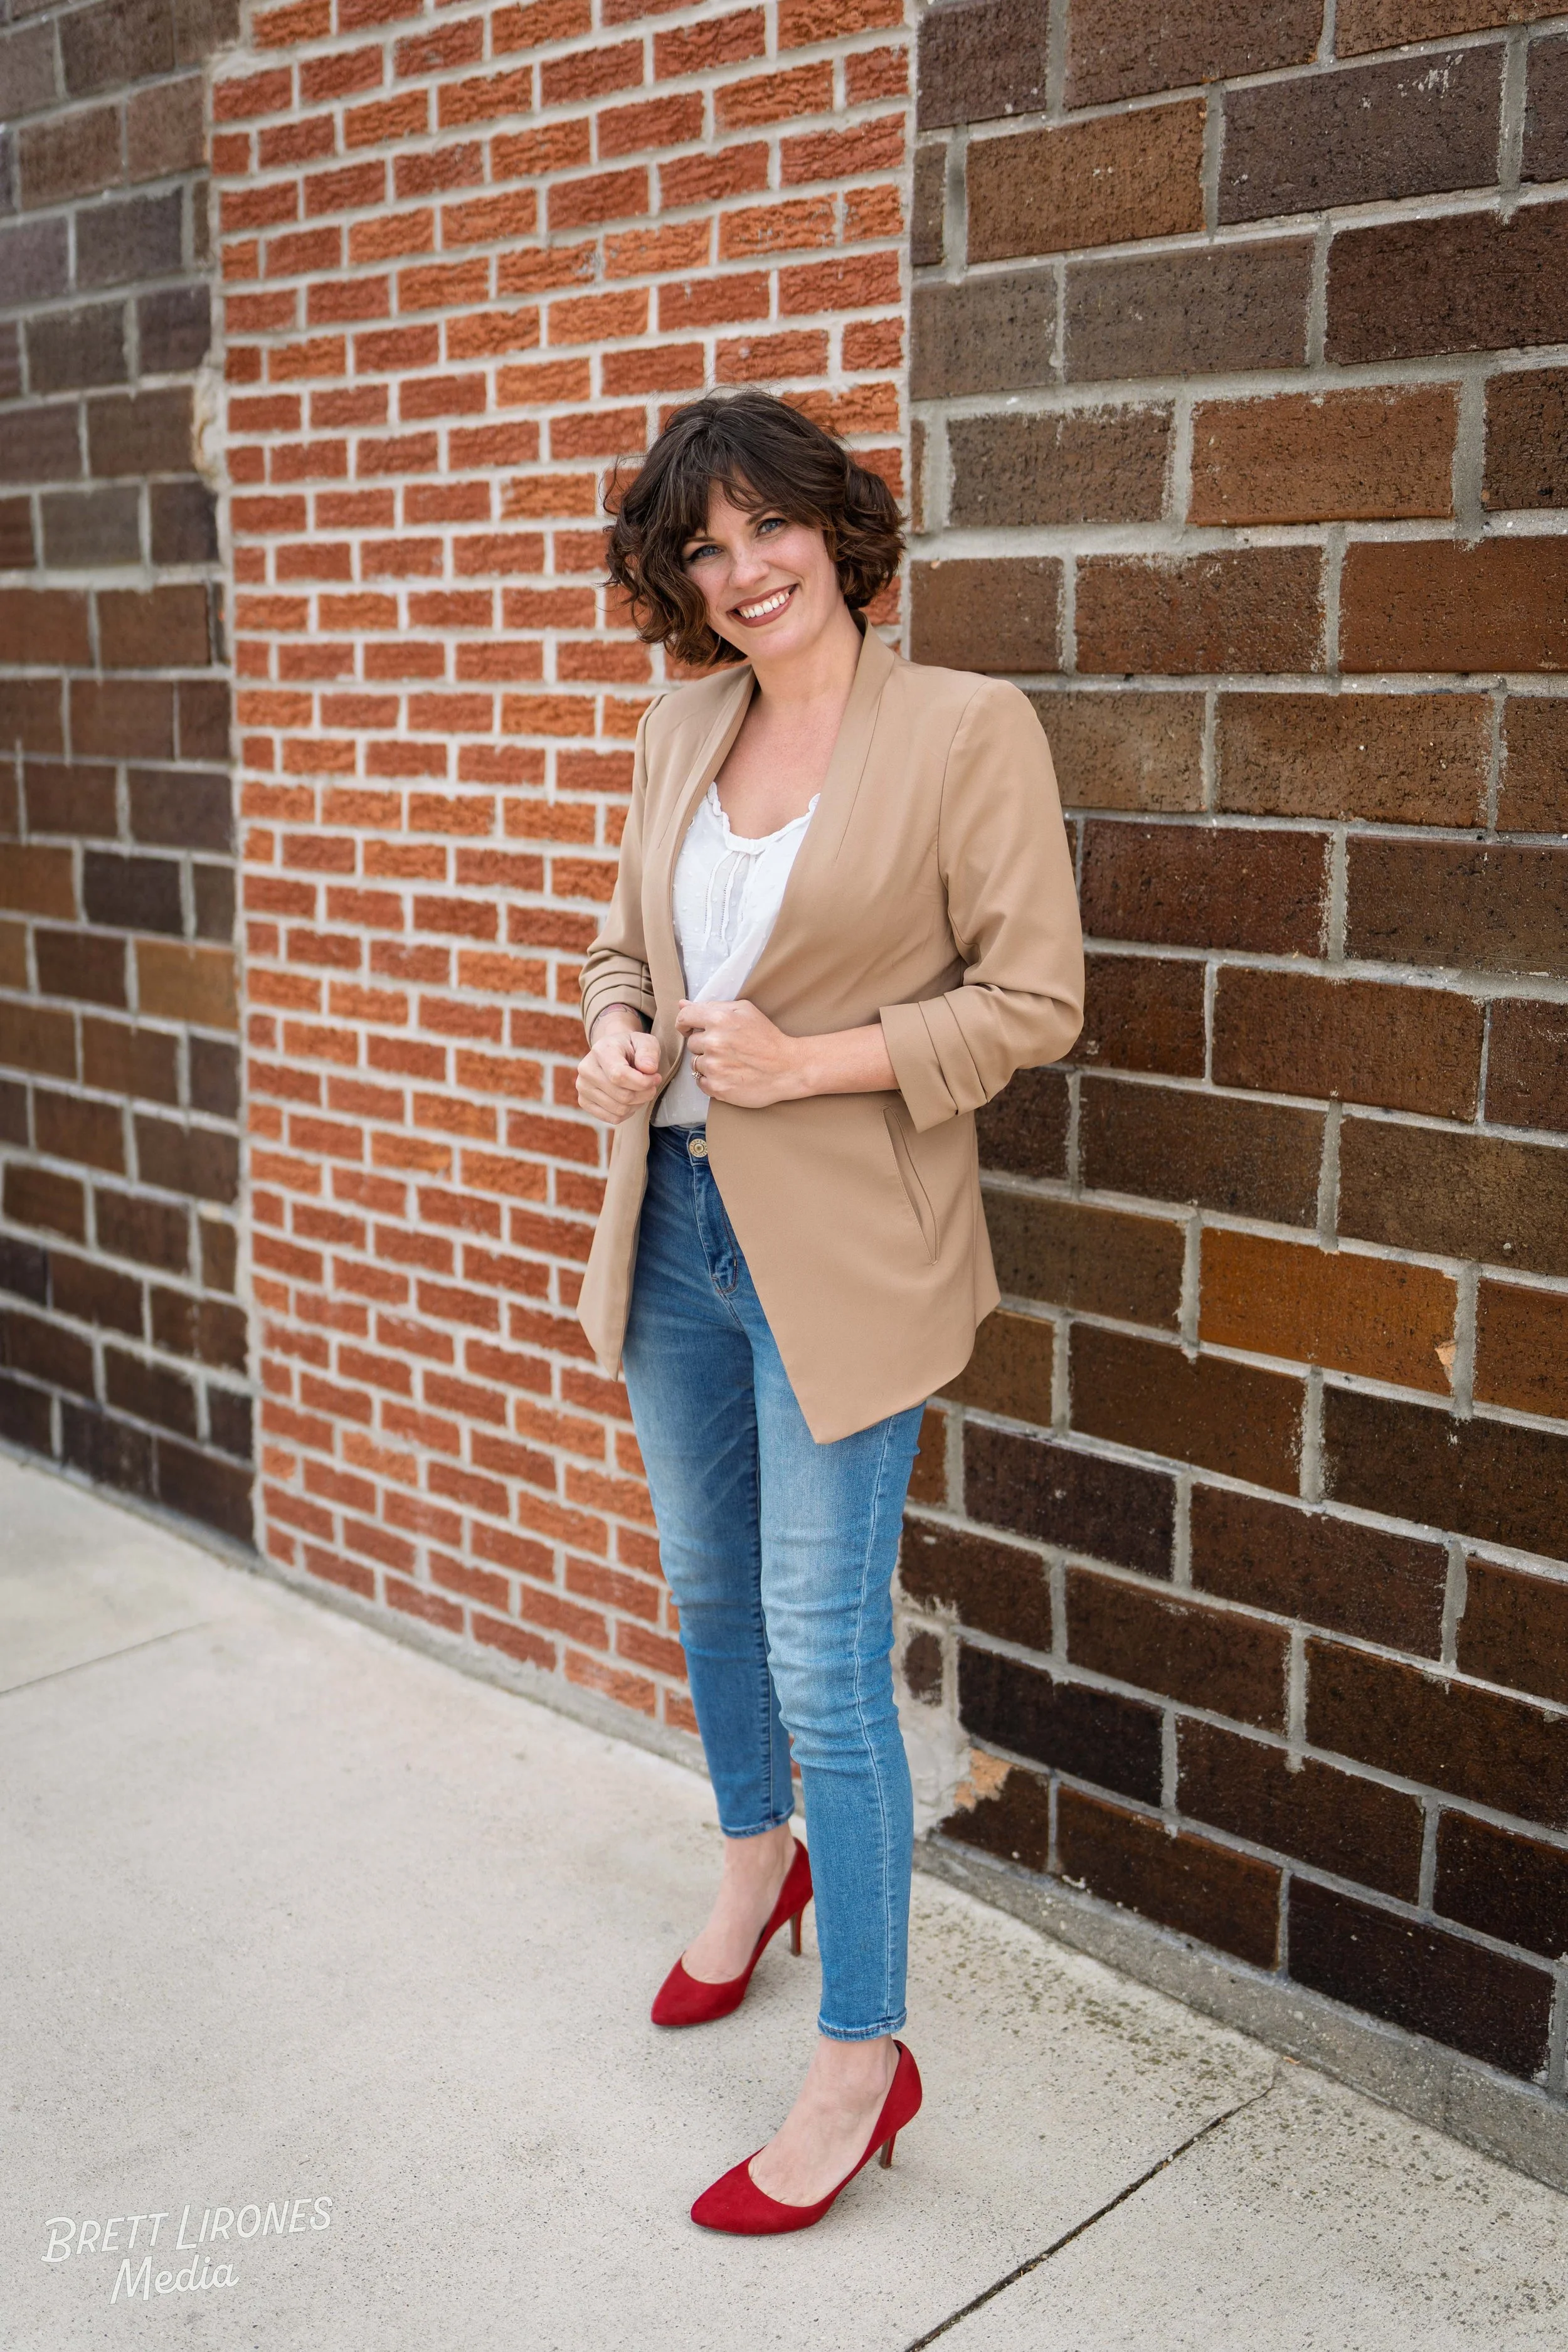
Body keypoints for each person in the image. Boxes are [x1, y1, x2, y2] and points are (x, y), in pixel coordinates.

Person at [573, 389, 1084, 2235]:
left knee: (822, 1656)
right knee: (707, 1591)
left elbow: (1032, 1001)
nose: (738, 573)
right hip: (673, 1232)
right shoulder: (679, 716)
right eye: (697, 551)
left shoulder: (963, 729)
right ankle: (749, 1868)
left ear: (834, 528)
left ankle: (863, 2057)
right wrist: (620, 1028)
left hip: (846, 1254)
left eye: (762, 530)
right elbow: (628, 940)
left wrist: (810, 1063)